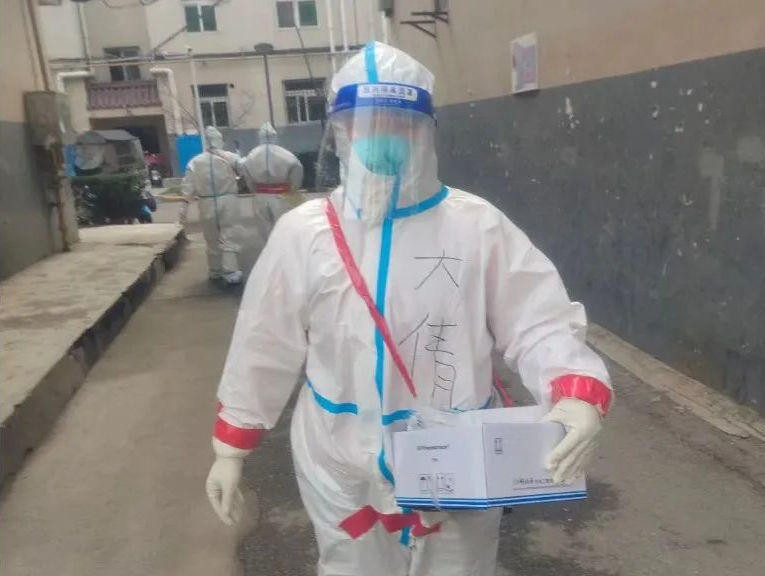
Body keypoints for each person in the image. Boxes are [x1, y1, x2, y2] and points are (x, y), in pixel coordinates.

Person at [206, 42, 613, 576]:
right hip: (338, 453)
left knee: (458, 567)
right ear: (341, 132)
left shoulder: (476, 225)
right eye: (364, 124)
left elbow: (537, 319)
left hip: (454, 451)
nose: (382, 136)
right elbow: (265, 339)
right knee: (352, 566)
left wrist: (574, 388)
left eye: (399, 123)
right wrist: (232, 445)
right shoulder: (304, 233)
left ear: (424, 132)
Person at [181, 126, 244, 285]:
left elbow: (187, 187)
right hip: (228, 200)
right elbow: (245, 170)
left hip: (206, 202)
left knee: (211, 237)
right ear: (220, 140)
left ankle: (215, 270)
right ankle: (230, 271)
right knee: (228, 235)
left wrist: (184, 208)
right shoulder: (231, 157)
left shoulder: (195, 162)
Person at [238, 122, 304, 236]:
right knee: (283, 227)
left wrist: (255, 190)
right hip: (282, 195)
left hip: (260, 196)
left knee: (265, 230)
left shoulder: (251, 155)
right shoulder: (286, 155)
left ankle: (269, 247)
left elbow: (247, 176)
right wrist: (293, 189)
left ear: (260, 137)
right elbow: (297, 170)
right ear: (275, 136)